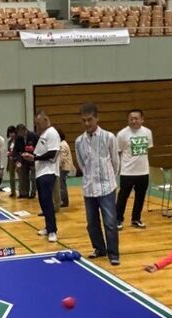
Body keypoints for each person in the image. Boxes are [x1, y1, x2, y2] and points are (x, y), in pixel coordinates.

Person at [75, 103, 120, 265]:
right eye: (84, 120)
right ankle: (99, 249)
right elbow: (81, 164)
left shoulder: (109, 137)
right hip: (89, 188)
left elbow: (115, 162)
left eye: (90, 120)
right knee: (92, 223)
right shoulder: (79, 141)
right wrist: (89, 178)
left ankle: (113, 253)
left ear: (97, 118)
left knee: (110, 222)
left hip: (107, 187)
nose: (87, 123)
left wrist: (108, 178)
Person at [22, 110, 60, 243]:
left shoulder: (52, 133)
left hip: (48, 172)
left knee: (47, 200)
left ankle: (53, 231)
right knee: (43, 202)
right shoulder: (44, 134)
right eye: (35, 124)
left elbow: (52, 153)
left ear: (46, 119)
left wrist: (35, 157)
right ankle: (48, 226)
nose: (37, 126)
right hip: (40, 172)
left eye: (38, 123)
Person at [116, 109, 153, 229]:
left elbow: (148, 149)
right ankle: (118, 219)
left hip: (143, 171)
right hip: (127, 171)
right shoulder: (122, 134)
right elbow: (118, 151)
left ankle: (136, 219)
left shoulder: (147, 132)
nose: (133, 121)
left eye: (136, 118)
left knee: (140, 197)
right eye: (131, 118)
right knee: (123, 196)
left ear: (142, 119)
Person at [13, 124, 38, 199]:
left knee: (33, 178)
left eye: (20, 132)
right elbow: (16, 151)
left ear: (24, 130)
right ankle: (24, 193)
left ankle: (33, 193)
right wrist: (18, 161)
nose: (19, 135)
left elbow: (39, 147)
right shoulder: (18, 138)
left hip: (33, 159)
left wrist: (33, 153)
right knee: (23, 177)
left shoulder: (34, 136)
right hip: (23, 161)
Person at [57, 129, 75, 208]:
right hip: (64, 167)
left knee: (62, 184)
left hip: (63, 167)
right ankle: (64, 200)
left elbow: (62, 157)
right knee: (62, 184)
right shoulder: (64, 143)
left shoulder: (62, 145)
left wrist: (59, 166)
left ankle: (64, 201)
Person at [6, 125, 17, 197]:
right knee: (11, 177)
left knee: (20, 176)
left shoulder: (18, 140)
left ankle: (23, 191)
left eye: (12, 132)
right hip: (10, 160)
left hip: (17, 159)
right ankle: (13, 191)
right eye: (10, 133)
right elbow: (8, 151)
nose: (11, 134)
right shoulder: (9, 142)